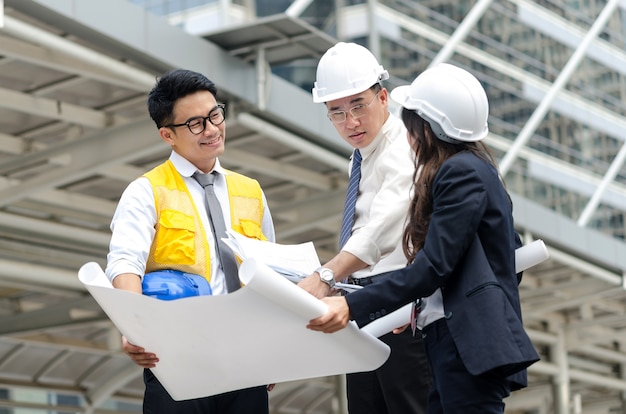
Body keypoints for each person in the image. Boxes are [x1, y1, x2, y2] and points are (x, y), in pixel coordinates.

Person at [306, 63, 540, 413]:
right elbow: (497, 257)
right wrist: (418, 305)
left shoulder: (459, 173)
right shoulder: (472, 170)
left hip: (463, 343)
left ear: (426, 128)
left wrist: (353, 303)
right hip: (452, 340)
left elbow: (435, 265)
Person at [105, 69, 275, 413]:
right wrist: (136, 328)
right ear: (167, 134)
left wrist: (272, 345)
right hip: (177, 359)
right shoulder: (146, 191)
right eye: (196, 124)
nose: (212, 129)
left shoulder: (251, 191)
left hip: (246, 360)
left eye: (215, 115)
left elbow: (270, 274)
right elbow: (124, 263)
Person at [298, 42, 430, 414]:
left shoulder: (403, 146)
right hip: (364, 303)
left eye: (358, 105)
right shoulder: (361, 156)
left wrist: (325, 275)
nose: (350, 122)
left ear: (383, 97)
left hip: (400, 304)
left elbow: (382, 228)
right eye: (336, 112)